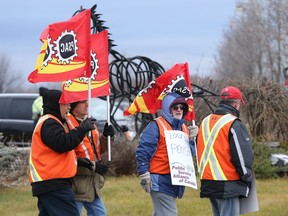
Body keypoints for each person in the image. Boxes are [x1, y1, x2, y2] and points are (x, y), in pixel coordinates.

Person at [29, 89, 97, 216]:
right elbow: (63, 143)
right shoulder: (49, 123)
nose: (69, 107)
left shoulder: (54, 122)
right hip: (54, 185)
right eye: (65, 104)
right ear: (56, 105)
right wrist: (82, 129)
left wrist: (77, 161)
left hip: (50, 184)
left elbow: (56, 152)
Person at [136, 92, 198, 216]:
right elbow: (143, 150)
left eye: (182, 107)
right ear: (167, 108)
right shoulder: (156, 126)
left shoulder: (184, 128)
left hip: (175, 181)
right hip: (159, 181)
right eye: (175, 107)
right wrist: (143, 173)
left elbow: (189, 154)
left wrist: (194, 140)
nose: (179, 110)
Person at [196, 86, 254, 216]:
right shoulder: (234, 123)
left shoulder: (205, 121)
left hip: (208, 181)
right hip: (228, 183)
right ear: (237, 103)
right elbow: (243, 156)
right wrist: (247, 177)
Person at [67, 100, 115, 216]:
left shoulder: (89, 123)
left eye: (87, 102)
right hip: (76, 185)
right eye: (83, 102)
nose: (87, 105)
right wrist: (94, 166)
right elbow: (68, 159)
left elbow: (97, 150)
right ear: (73, 106)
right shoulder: (67, 125)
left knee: (100, 214)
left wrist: (106, 137)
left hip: (91, 185)